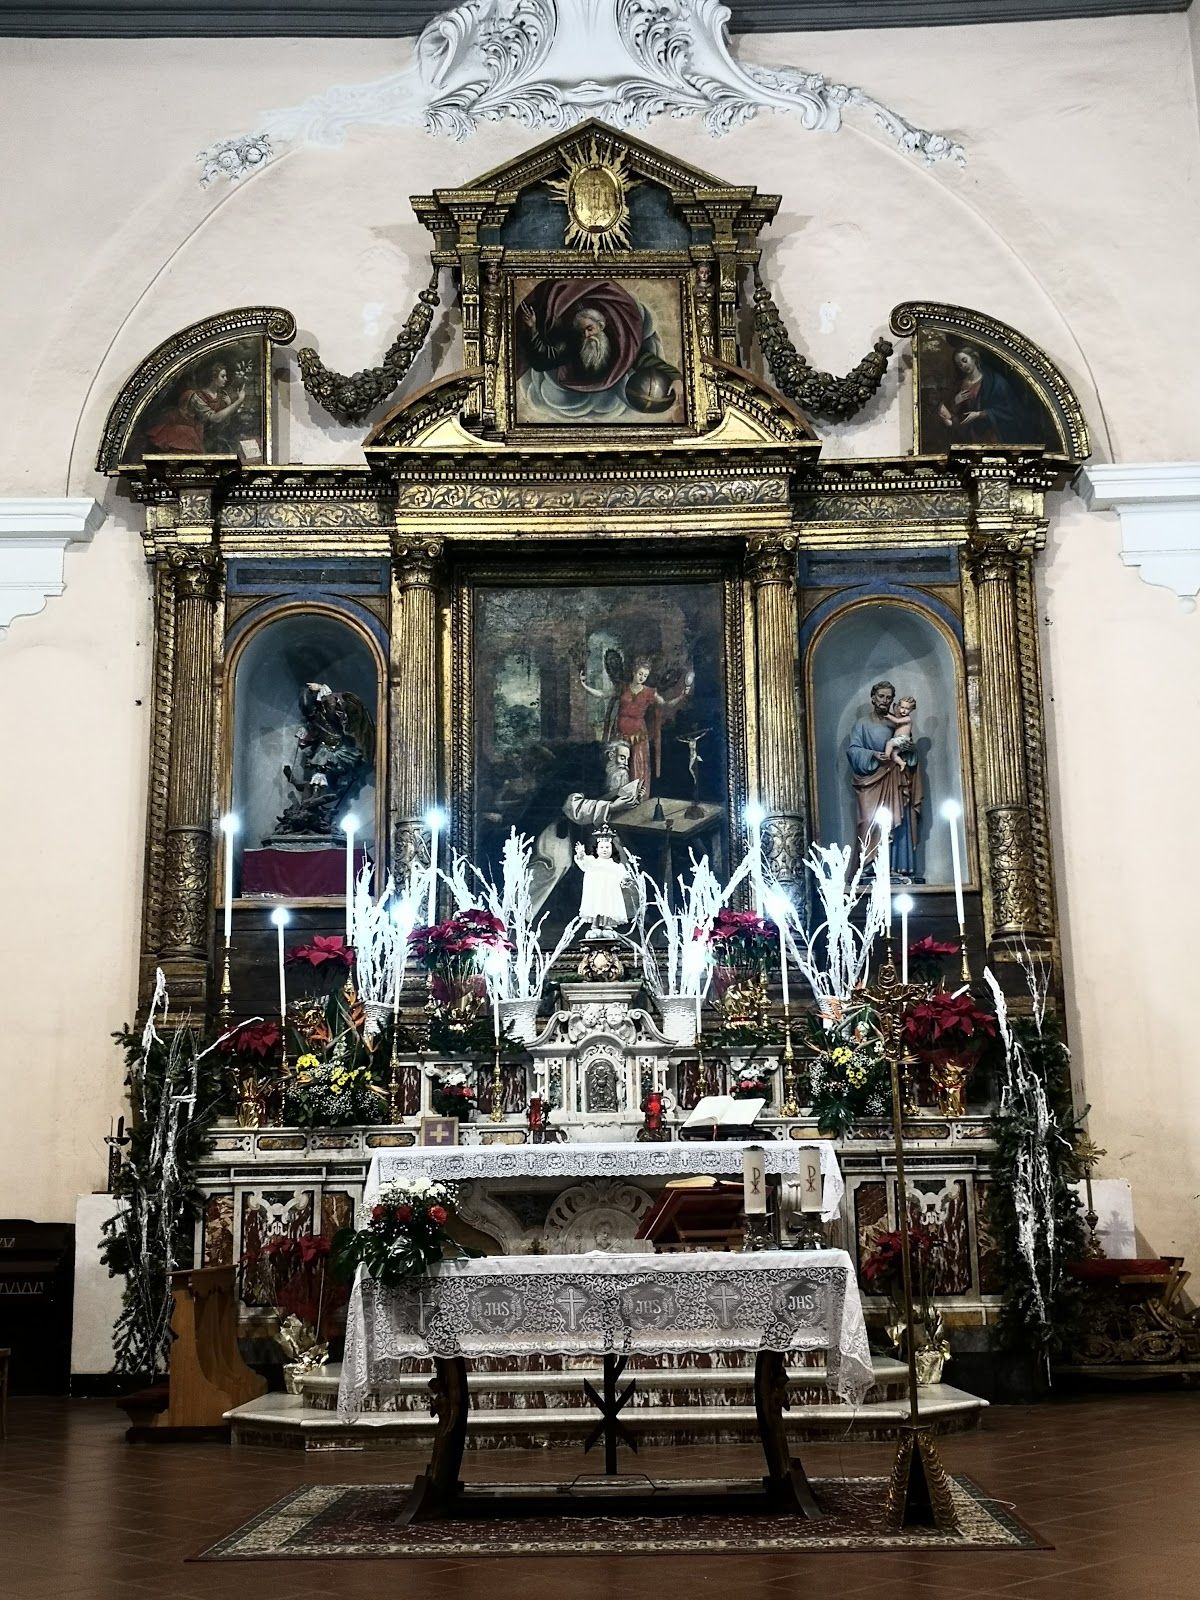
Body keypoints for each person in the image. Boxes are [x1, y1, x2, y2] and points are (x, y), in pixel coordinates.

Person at [515, 278, 682, 422]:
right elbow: (544, 359)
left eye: (590, 328)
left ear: (601, 326)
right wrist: (533, 329)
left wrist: (675, 376)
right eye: (582, 332)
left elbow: (644, 358)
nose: (587, 335)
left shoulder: (619, 343)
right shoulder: (573, 346)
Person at [579, 654, 694, 799]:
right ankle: (617, 798)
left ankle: (637, 798)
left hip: (638, 734)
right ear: (634, 672)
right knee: (617, 765)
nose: (642, 677)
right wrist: (584, 685)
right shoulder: (622, 688)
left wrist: (682, 696)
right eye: (640, 674)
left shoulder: (649, 692)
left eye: (645, 675)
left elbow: (665, 704)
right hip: (620, 733)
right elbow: (602, 694)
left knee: (637, 765)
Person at [846, 681, 924, 882]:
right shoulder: (862, 724)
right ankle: (869, 866)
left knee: (897, 820)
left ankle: (897, 866)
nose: (884, 700)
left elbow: (909, 755)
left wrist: (910, 751)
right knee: (868, 821)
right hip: (871, 781)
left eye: (889, 697)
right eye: (881, 696)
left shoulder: (899, 723)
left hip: (895, 779)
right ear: (873, 697)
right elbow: (853, 751)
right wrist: (872, 755)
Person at [936, 345, 1043, 446]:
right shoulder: (960, 385)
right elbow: (950, 414)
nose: (963, 366)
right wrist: (955, 401)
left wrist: (979, 414)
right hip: (970, 437)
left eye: (964, 360)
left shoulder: (995, 381)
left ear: (974, 358)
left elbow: (1011, 409)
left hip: (994, 435)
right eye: (960, 365)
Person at [146, 358, 247, 453]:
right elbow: (215, 418)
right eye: (223, 376)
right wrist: (239, 401)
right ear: (213, 377)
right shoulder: (196, 396)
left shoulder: (222, 396)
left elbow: (223, 423)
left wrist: (229, 404)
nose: (226, 379)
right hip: (185, 435)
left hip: (207, 437)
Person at [573, 828, 631, 930]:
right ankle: (595, 925)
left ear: (612, 849)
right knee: (596, 905)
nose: (605, 850)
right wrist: (581, 854)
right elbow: (583, 862)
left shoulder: (615, 866)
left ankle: (606, 924)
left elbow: (623, 875)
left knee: (608, 906)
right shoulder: (592, 861)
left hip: (609, 891)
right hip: (596, 890)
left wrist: (625, 879)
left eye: (607, 847)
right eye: (602, 847)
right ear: (597, 849)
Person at [883, 695, 917, 768]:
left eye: (907, 709)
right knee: (894, 754)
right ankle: (902, 763)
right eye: (902, 707)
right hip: (900, 740)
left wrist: (888, 716)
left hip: (903, 739)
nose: (904, 710)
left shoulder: (908, 719)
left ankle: (886, 757)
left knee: (889, 744)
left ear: (911, 710)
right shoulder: (902, 718)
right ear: (899, 707)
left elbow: (897, 721)